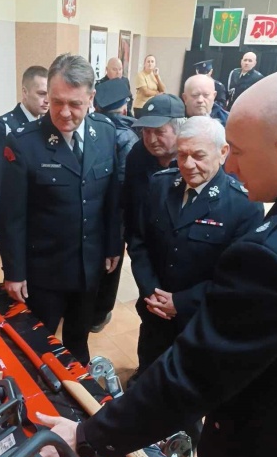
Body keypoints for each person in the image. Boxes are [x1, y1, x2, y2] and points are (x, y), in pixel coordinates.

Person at [37, 70, 277, 457]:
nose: (230, 166)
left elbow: (193, 376)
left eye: (238, 152)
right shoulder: (159, 184)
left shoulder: (264, 244)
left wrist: (86, 436)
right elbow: (142, 238)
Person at [0, 54, 121, 365]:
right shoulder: (24, 143)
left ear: (91, 98)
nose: (64, 112)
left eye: (75, 104)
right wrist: (14, 272)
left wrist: (111, 246)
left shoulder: (105, 133)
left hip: (89, 266)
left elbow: (111, 199)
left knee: (78, 341)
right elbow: (11, 215)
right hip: (45, 271)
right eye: (56, 102)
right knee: (38, 347)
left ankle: (79, 391)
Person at [129, 115, 264, 382]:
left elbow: (236, 276)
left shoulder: (244, 205)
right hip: (154, 311)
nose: (188, 165)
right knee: (148, 371)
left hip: (199, 318)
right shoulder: (160, 184)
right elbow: (139, 241)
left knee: (187, 383)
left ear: (222, 152)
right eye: (182, 155)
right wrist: (151, 291)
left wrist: (180, 302)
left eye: (198, 156)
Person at [0, 65, 48, 247]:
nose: (47, 100)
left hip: (39, 215)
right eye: (41, 93)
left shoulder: (45, 127)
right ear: (25, 92)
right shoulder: (3, 127)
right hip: (11, 216)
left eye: (49, 94)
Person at [90, 78, 138, 332]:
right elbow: (125, 182)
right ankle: (99, 314)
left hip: (89, 210)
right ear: (124, 107)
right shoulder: (128, 136)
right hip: (115, 213)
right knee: (111, 263)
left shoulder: (90, 129)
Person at [122, 93, 184, 243]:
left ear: (180, 130)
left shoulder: (193, 160)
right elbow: (130, 204)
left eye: (159, 132)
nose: (151, 140)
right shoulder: (137, 155)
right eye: (146, 131)